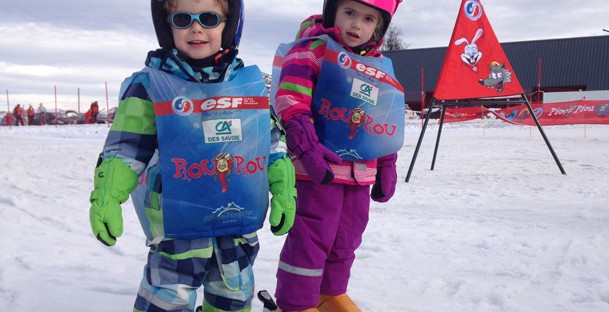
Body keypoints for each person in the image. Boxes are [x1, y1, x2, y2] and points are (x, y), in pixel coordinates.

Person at [88, 1, 296, 311]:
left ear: (228, 26)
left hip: (235, 223)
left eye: (209, 18)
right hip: (177, 228)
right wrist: (107, 195)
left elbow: (270, 142)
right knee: (165, 300)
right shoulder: (151, 85)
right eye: (182, 19)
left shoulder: (246, 86)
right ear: (166, 25)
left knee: (234, 297)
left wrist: (283, 188)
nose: (195, 28)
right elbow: (126, 147)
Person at [270, 0, 405, 311]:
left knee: (347, 237)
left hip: (360, 174)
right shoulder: (315, 50)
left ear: (379, 26)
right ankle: (297, 302)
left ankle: (330, 292)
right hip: (320, 169)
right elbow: (292, 98)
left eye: (368, 18)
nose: (357, 25)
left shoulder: (380, 67)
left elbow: (382, 119)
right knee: (312, 237)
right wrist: (304, 142)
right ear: (333, 12)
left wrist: (387, 162)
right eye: (349, 13)